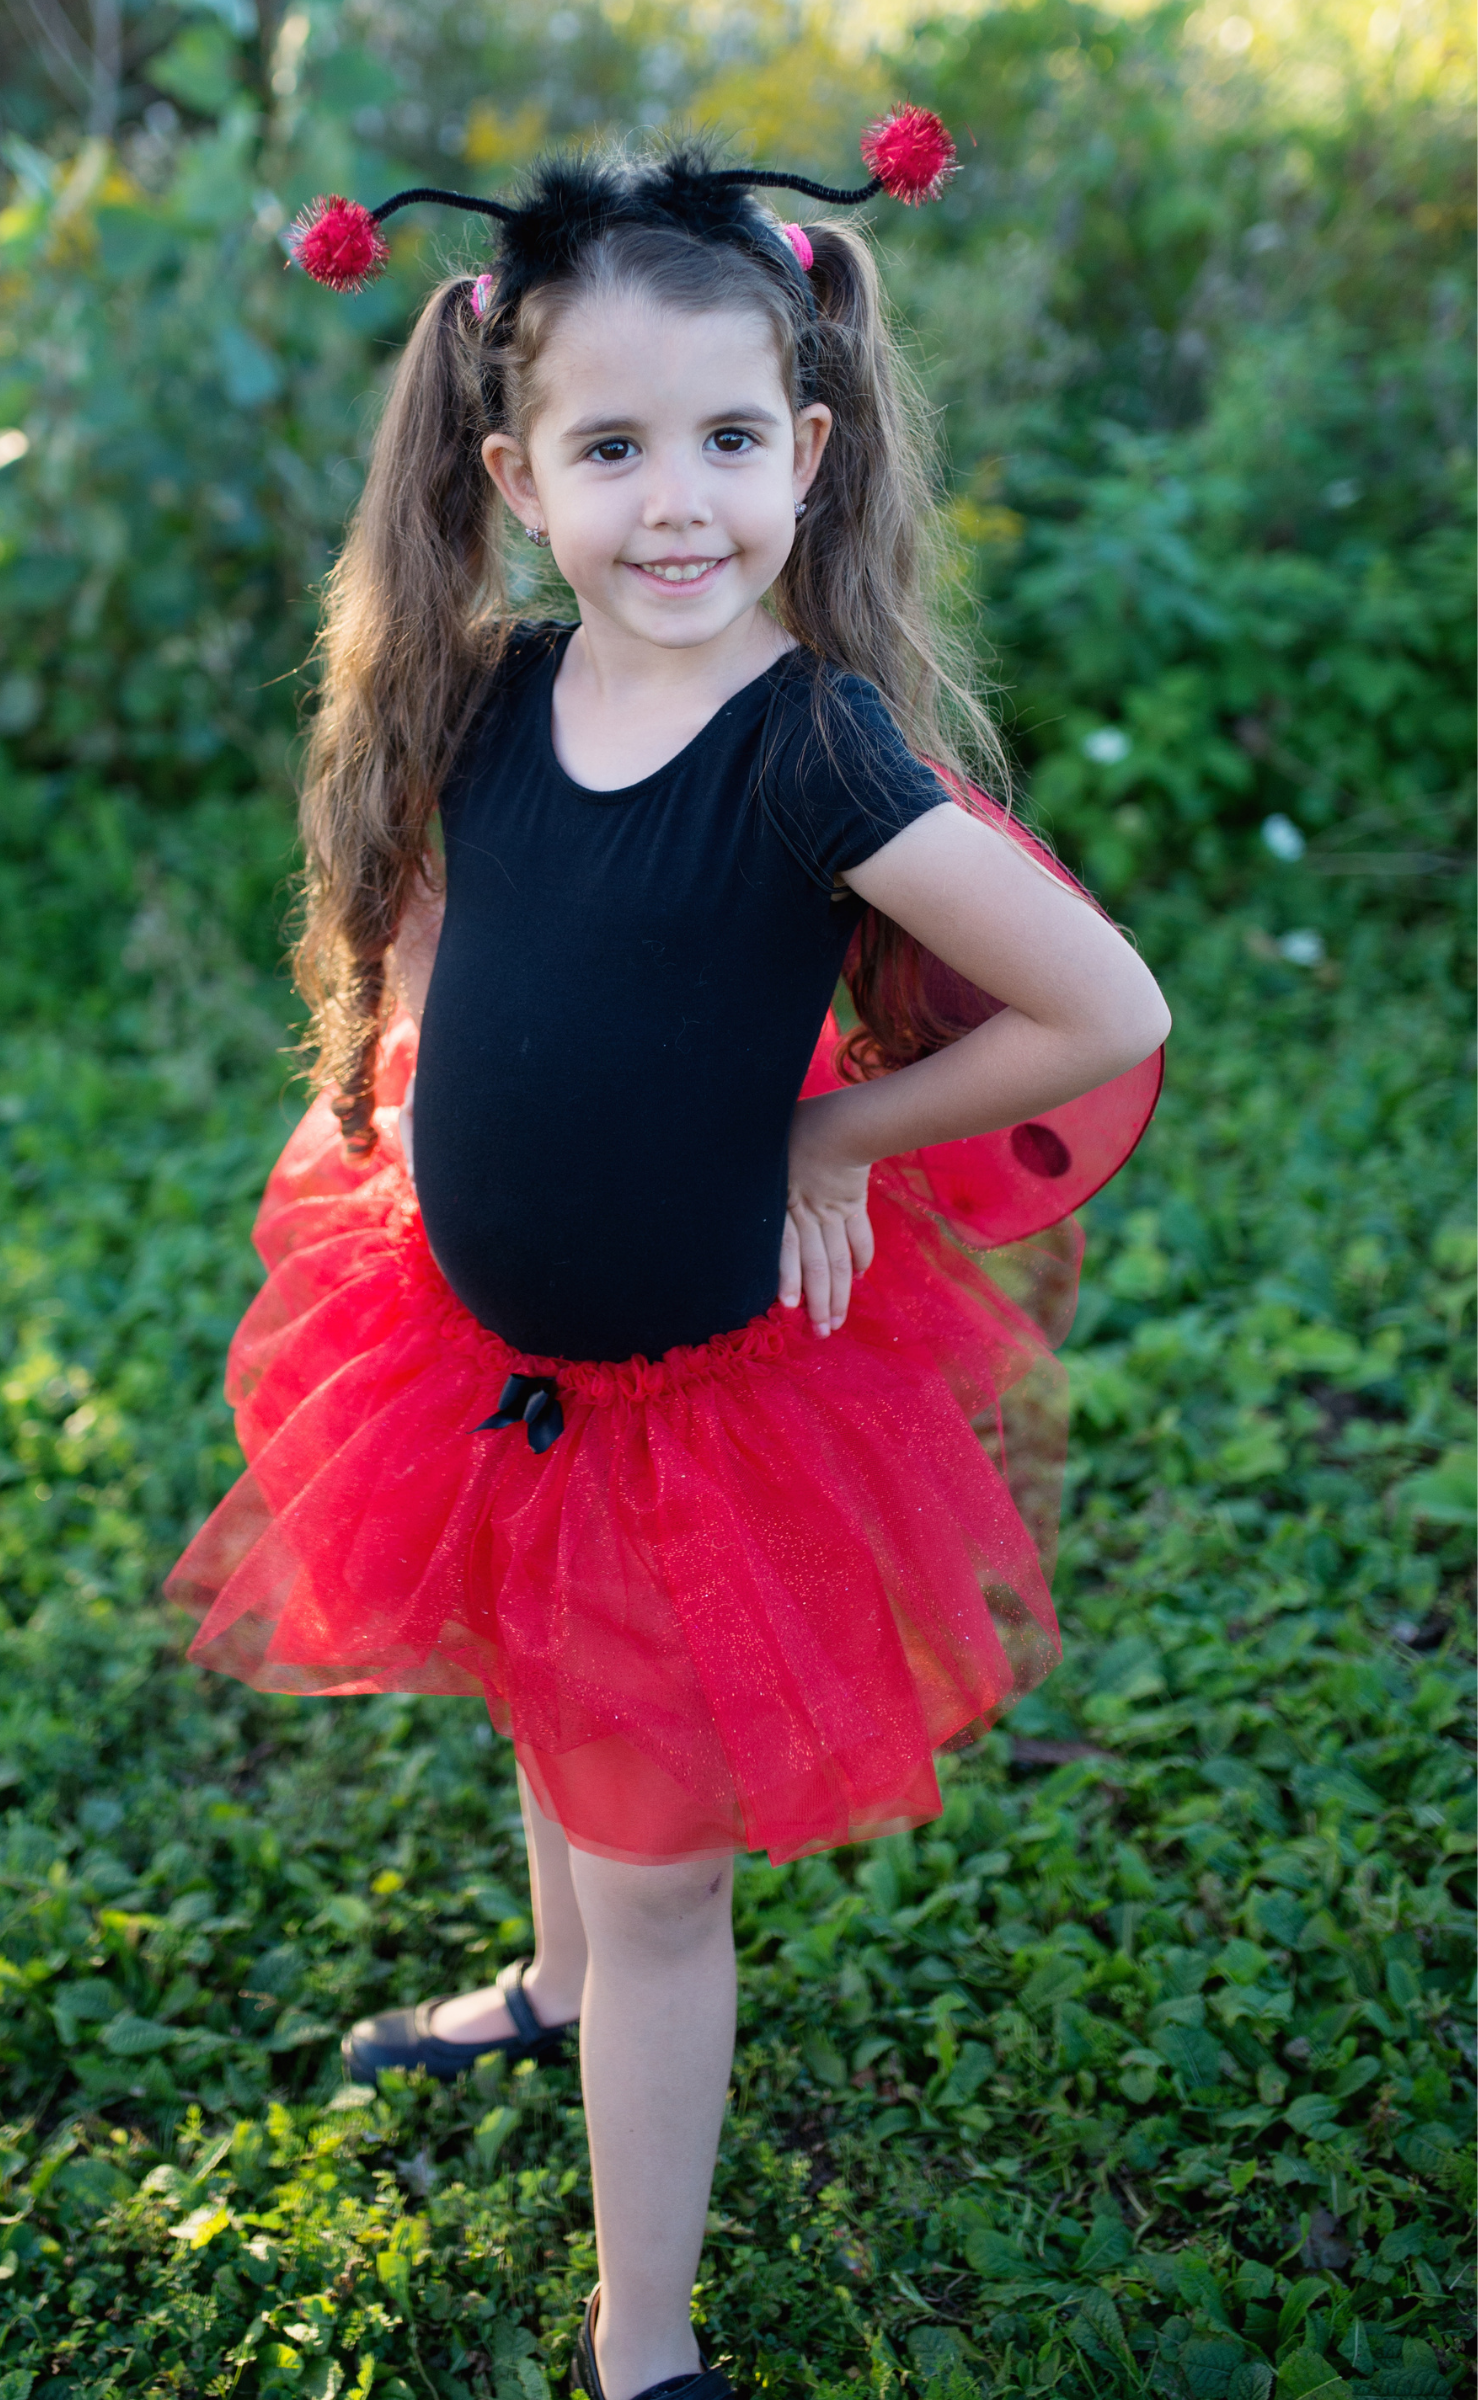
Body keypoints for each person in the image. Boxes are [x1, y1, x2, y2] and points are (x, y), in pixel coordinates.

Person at [167, 113, 1170, 2400]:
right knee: (545, 1678)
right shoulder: (503, 693)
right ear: (515, 474)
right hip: (472, 1343)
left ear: (807, 450)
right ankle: (539, 1991)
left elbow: (1102, 1007)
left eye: (726, 438)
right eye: (611, 446)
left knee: (665, 1882)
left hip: (704, 1395)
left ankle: (641, 2345)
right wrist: (417, 1068)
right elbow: (446, 915)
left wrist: (828, 1117)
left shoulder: (808, 749)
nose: (678, 500)